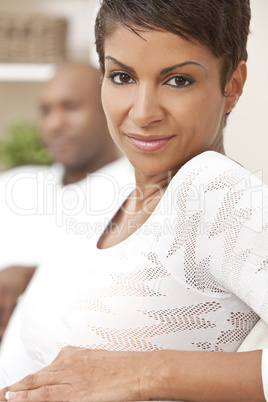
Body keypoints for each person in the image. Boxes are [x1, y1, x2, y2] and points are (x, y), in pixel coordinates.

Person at [0, 0, 268, 401]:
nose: (142, 113)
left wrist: (146, 372)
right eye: (122, 76)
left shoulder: (217, 191)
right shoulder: (125, 193)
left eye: (178, 80)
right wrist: (31, 277)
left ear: (232, 85)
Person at [0, 62, 133, 337]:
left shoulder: (138, 193)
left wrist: (29, 277)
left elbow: (124, 290)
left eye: (70, 106)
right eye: (46, 110)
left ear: (109, 110)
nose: (54, 124)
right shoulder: (16, 183)